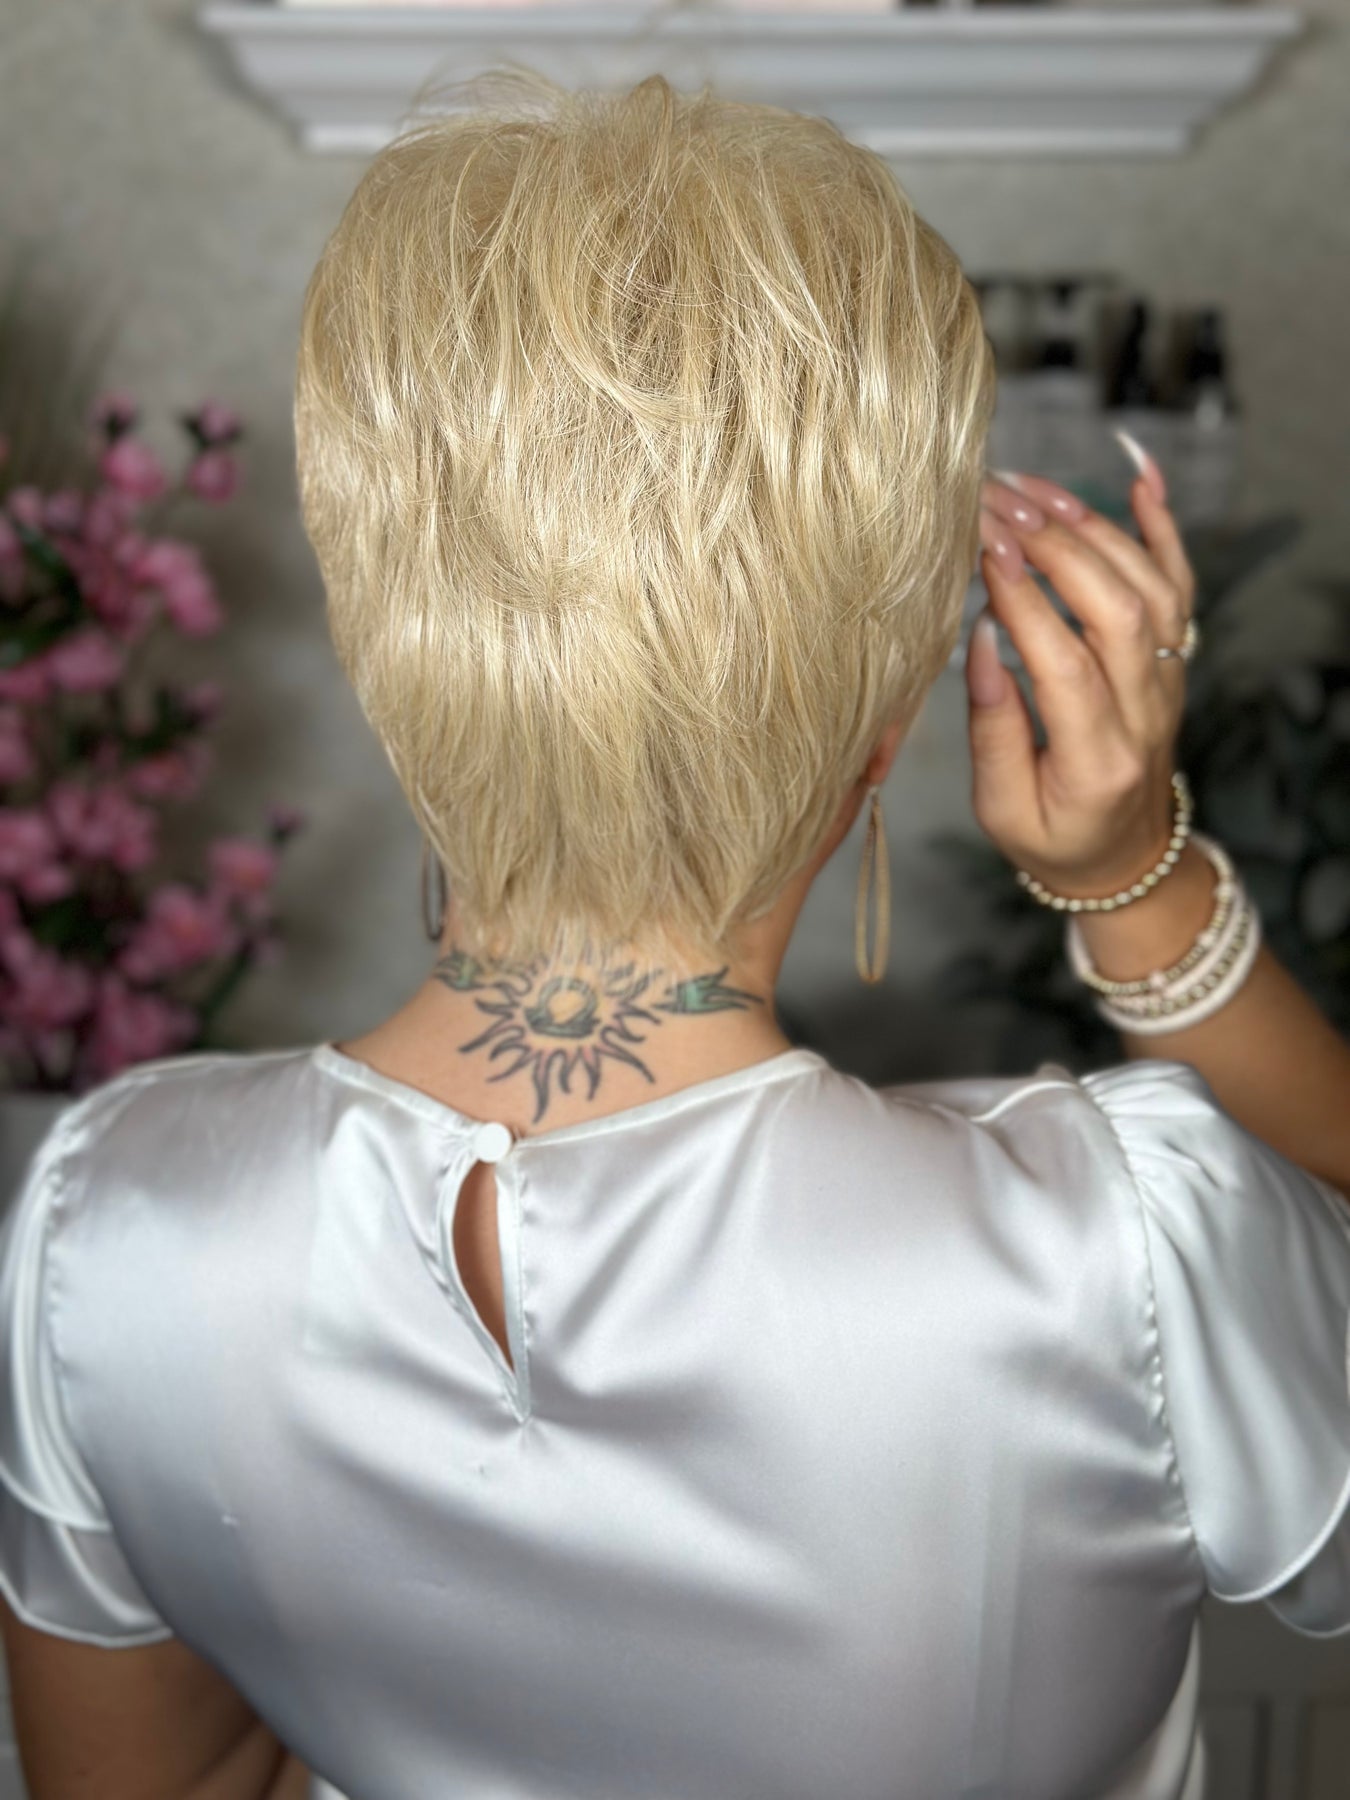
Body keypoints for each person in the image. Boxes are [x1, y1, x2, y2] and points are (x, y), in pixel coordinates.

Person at [1, 67, 1348, 1800]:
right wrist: (1137, 879)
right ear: (888, 723)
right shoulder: (1124, 1254)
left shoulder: (110, 1225)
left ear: (393, 643)